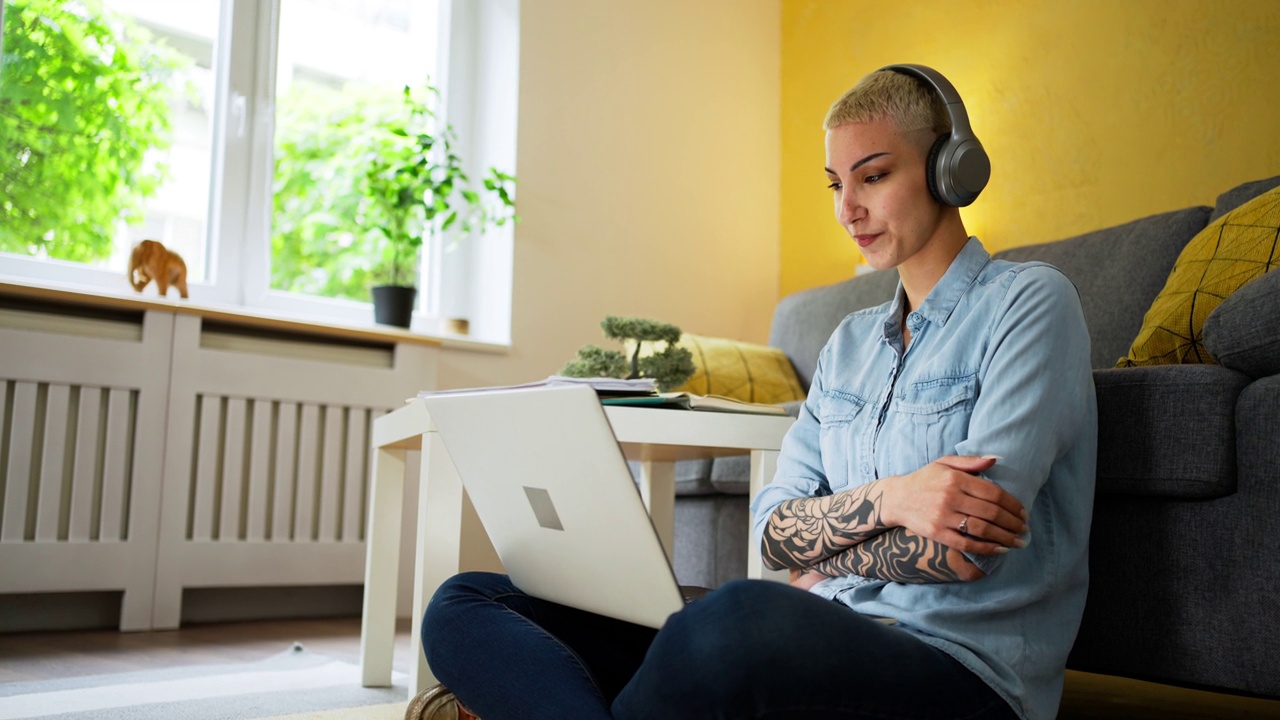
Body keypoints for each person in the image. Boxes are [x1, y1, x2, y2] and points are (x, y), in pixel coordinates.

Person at [415, 65, 1097, 720]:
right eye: (834, 184)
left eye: (875, 176)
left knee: (733, 617)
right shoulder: (849, 344)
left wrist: (824, 554)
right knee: (467, 601)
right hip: (820, 634)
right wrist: (894, 497)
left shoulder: (1031, 304)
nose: (847, 209)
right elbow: (773, 533)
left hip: (960, 671)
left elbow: (967, 546)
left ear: (951, 169)